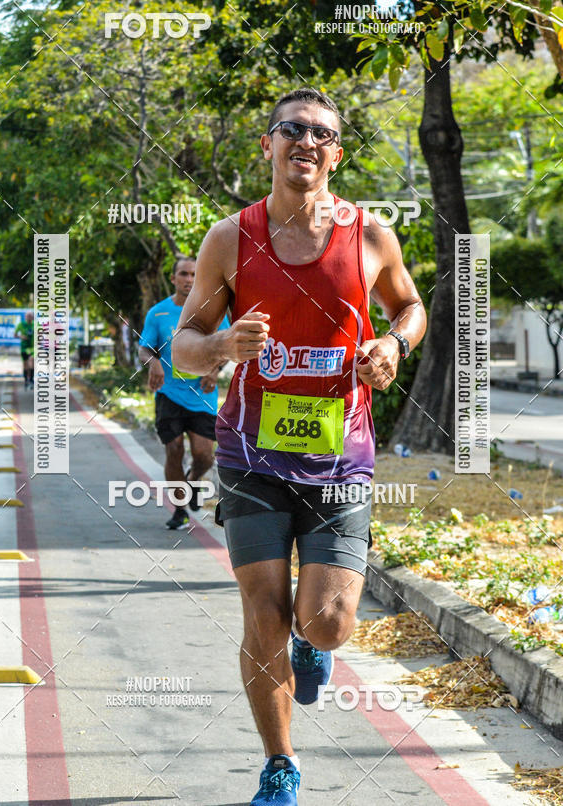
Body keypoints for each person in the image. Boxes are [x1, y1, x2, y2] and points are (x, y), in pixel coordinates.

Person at [171, 87, 427, 804]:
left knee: (329, 622)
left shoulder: (370, 235)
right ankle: (279, 765)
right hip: (249, 455)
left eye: (321, 134)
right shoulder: (230, 239)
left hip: (341, 456)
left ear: (336, 155)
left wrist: (393, 345)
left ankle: (316, 644)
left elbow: (411, 307)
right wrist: (221, 344)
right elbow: (184, 346)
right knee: (264, 615)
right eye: (292, 129)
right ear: (269, 145)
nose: (306, 141)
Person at [138, 257, 230, 530]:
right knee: (174, 449)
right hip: (169, 394)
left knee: (204, 456)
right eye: (183, 274)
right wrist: (153, 362)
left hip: (202, 395)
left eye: (193, 274)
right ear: (173, 278)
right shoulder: (158, 313)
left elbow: (225, 346)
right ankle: (180, 510)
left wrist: (215, 369)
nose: (189, 279)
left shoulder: (212, 310)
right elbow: (144, 347)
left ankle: (192, 480)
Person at [15, 310, 34, 389]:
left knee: (31, 361)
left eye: (30, 316)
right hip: (24, 347)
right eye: (28, 316)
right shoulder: (21, 324)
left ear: (33, 317)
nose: (29, 318)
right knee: (25, 364)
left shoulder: (35, 325)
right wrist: (21, 336)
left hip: (32, 347)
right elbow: (15, 335)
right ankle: (26, 379)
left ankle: (31, 379)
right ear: (25, 317)